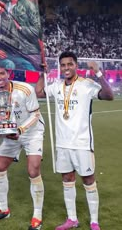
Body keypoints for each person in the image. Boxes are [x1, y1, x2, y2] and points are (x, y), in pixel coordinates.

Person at [35, 51, 114, 230]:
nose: (66, 68)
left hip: (82, 143)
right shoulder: (56, 86)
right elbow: (38, 92)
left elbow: (109, 96)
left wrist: (98, 73)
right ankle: (72, 219)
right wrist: (42, 74)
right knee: (67, 179)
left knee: (88, 180)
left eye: (69, 64)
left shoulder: (87, 85)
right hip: (62, 144)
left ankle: (94, 221)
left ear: (76, 65)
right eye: (63, 65)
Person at [0, 66, 45, 230]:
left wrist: (20, 130)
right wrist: (0, 129)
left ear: (8, 74)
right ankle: (4, 209)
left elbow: (36, 114)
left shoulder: (25, 89)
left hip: (32, 132)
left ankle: (37, 216)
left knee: (33, 171)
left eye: (2, 73)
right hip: (12, 134)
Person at [6, 0, 43, 71]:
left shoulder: (29, 6)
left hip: (28, 52)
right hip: (10, 51)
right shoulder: (4, 5)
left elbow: (37, 31)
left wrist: (20, 28)